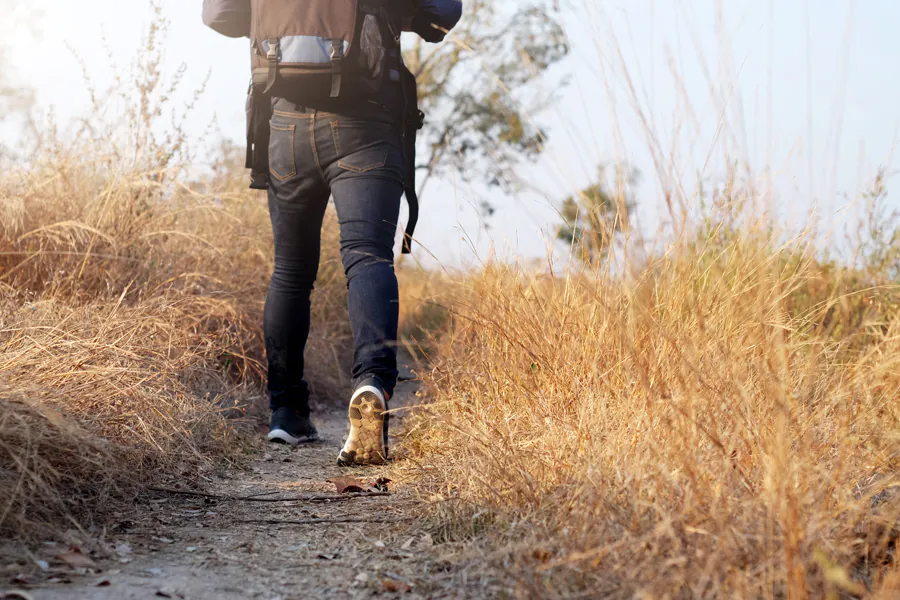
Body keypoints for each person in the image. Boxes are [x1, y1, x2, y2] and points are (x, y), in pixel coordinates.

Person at [203, 0, 462, 466]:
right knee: (367, 257)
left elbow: (218, 14)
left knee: (290, 272)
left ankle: (286, 412)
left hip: (283, 123)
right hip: (366, 121)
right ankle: (372, 384)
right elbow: (444, 10)